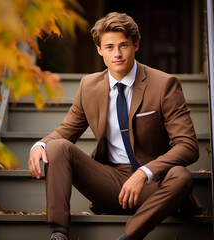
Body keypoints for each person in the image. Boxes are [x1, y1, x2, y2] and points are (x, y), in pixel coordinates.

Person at [28, 12, 199, 240]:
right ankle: (59, 233)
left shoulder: (164, 84)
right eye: (109, 47)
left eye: (123, 45)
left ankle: (127, 237)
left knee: (181, 177)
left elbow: (188, 145)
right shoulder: (89, 85)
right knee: (57, 147)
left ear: (136, 45)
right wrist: (40, 144)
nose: (117, 54)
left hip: (152, 184)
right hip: (108, 181)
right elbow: (66, 130)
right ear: (99, 49)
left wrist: (144, 173)